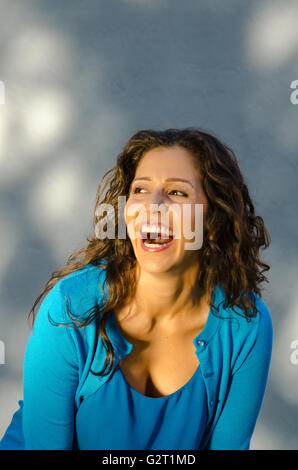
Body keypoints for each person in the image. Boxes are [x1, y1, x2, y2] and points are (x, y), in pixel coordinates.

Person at [0, 127, 273, 450]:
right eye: (140, 190)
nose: (152, 206)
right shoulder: (72, 307)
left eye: (177, 193)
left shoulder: (246, 325)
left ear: (213, 223)